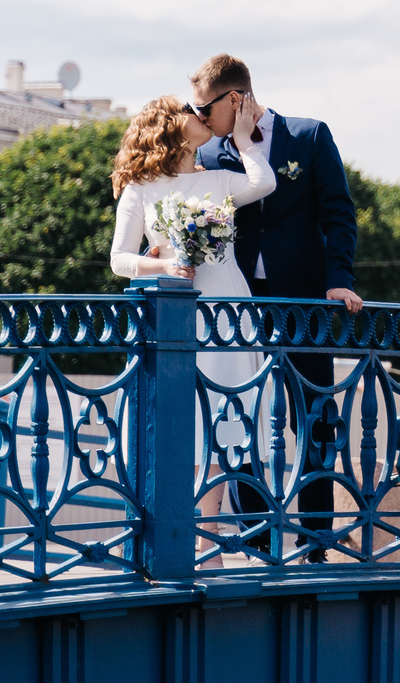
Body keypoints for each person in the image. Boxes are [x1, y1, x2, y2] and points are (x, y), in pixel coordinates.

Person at [189, 54, 361, 558]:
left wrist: (339, 281)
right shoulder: (211, 154)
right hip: (238, 303)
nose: (200, 118)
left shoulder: (309, 136)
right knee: (240, 411)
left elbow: (338, 213)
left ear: (234, 99)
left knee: (313, 415)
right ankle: (255, 536)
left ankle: (316, 538)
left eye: (205, 109)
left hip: (304, 302)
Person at [109, 93, 276, 543]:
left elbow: (264, 182)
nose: (200, 114)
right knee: (181, 419)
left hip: (227, 308)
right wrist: (164, 265)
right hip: (176, 313)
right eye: (189, 109)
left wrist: (244, 139)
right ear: (168, 126)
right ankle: (170, 532)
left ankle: (208, 536)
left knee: (222, 418)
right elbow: (120, 259)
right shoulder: (140, 189)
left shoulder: (218, 180)